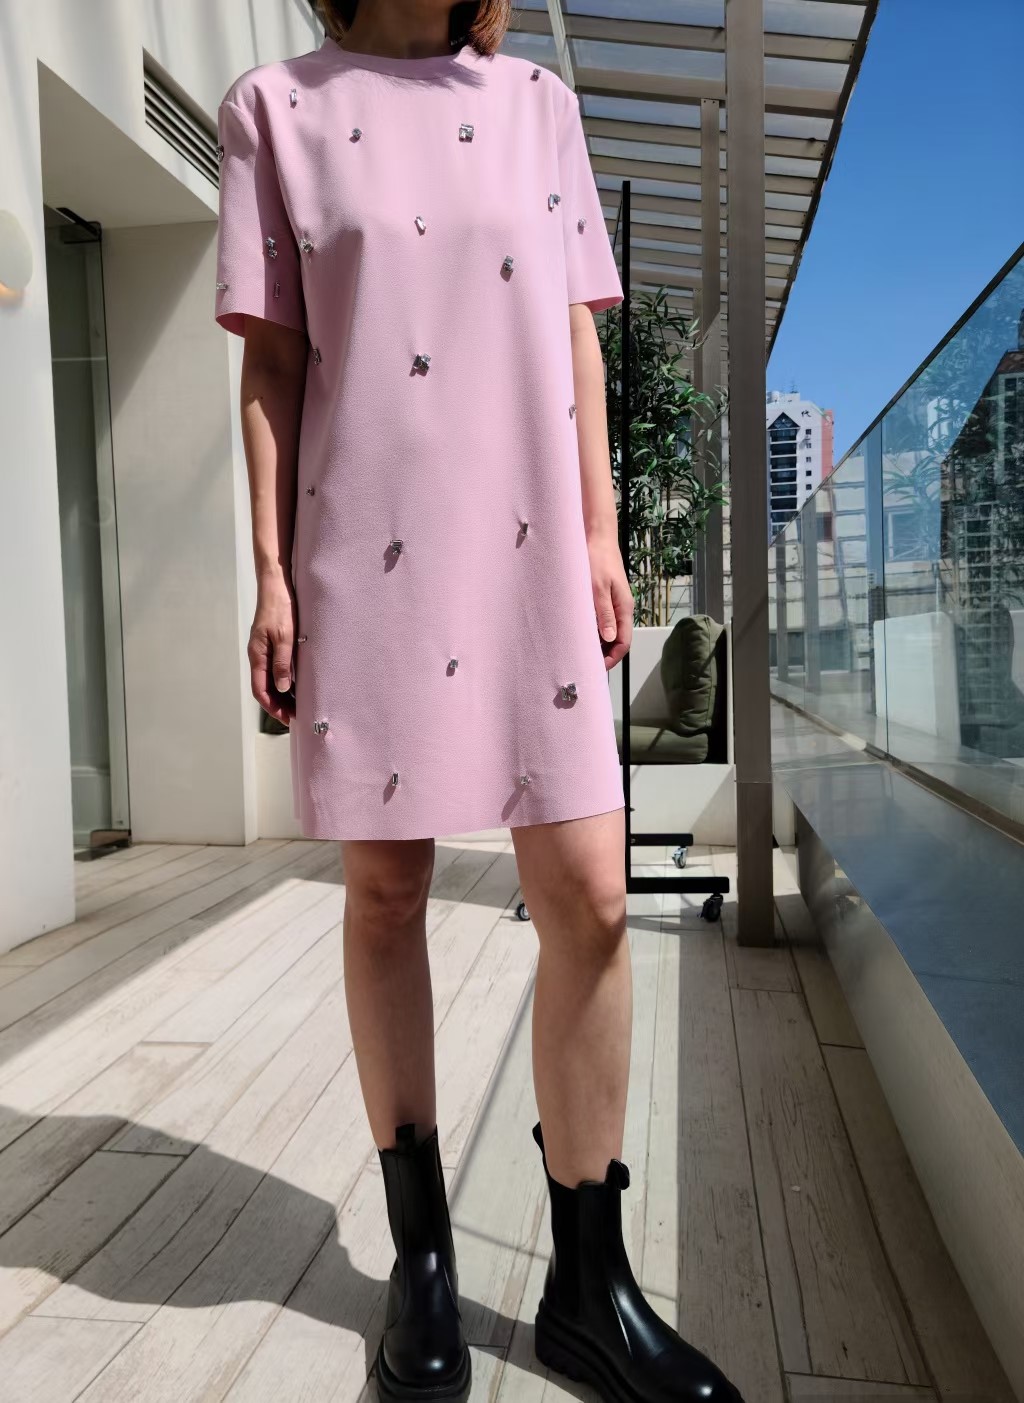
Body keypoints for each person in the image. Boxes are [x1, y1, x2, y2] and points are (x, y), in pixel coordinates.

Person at [214, 1, 743, 1399]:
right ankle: (424, 1266)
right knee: (387, 893)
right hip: (360, 546)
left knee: (593, 899)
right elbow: (273, 362)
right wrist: (270, 572)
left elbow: (573, 336)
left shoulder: (536, 106)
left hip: (529, 546)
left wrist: (601, 534)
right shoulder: (274, 107)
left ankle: (589, 1287)